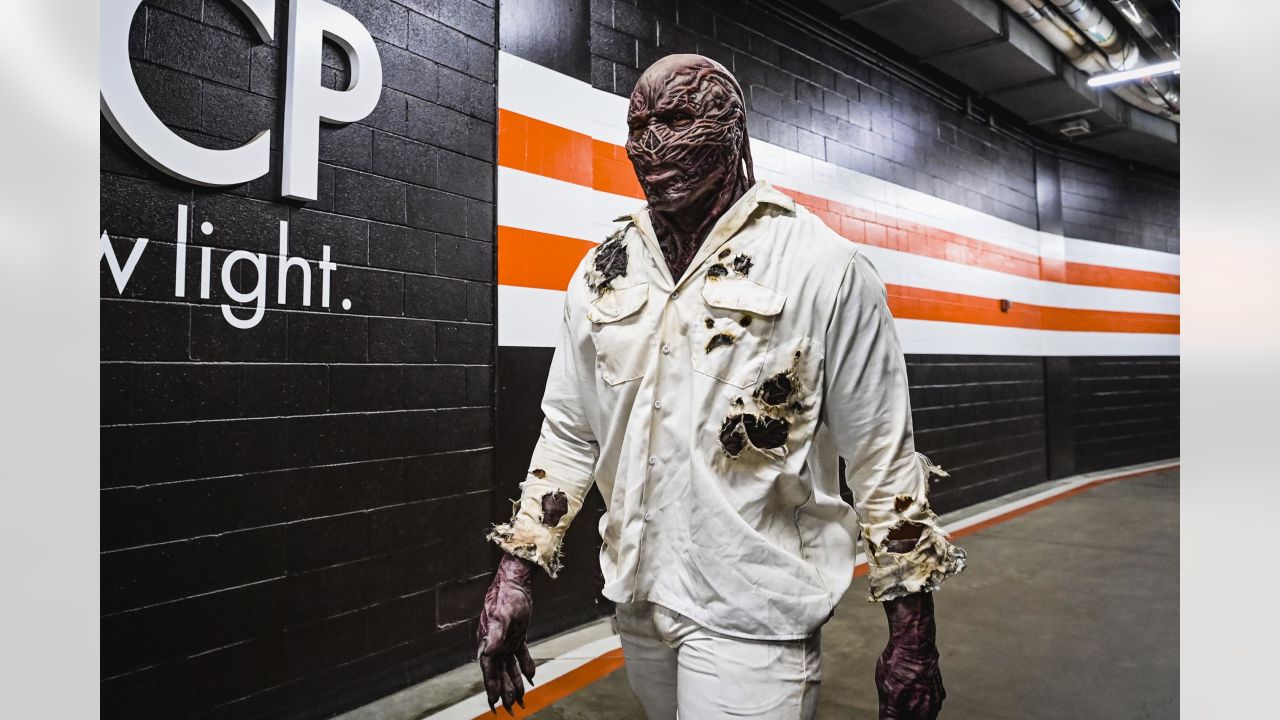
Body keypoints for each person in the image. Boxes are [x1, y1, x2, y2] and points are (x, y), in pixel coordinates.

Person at [474, 54, 967, 720]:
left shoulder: (823, 268)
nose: (651, 142)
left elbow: (882, 460)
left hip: (755, 614)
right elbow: (570, 430)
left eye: (677, 119)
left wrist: (913, 638)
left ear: (733, 129)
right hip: (640, 598)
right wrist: (515, 573)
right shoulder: (603, 273)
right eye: (639, 123)